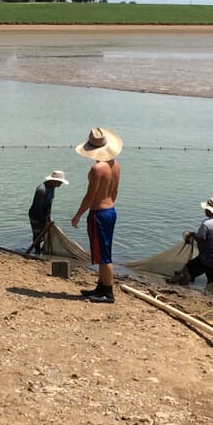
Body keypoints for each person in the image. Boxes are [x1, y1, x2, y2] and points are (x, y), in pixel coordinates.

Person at [71, 127, 122, 304]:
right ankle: (101, 286)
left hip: (99, 213)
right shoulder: (115, 165)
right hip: (110, 211)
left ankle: (108, 292)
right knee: (104, 250)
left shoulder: (97, 169)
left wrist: (77, 215)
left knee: (103, 254)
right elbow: (114, 191)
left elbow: (89, 197)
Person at [169, 198, 213, 286]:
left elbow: (200, 239)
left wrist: (192, 235)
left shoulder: (207, 223)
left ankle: (183, 290)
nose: (204, 210)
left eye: (206, 209)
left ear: (210, 210)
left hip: (208, 257)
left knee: (187, 270)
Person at [26, 170, 68, 255]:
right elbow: (38, 208)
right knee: (37, 235)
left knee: (45, 234)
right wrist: (42, 221)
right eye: (59, 182)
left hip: (43, 214)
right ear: (53, 181)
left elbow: (49, 205)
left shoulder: (52, 188)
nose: (60, 184)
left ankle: (42, 253)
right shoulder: (41, 190)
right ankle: (37, 252)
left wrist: (48, 219)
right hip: (35, 215)